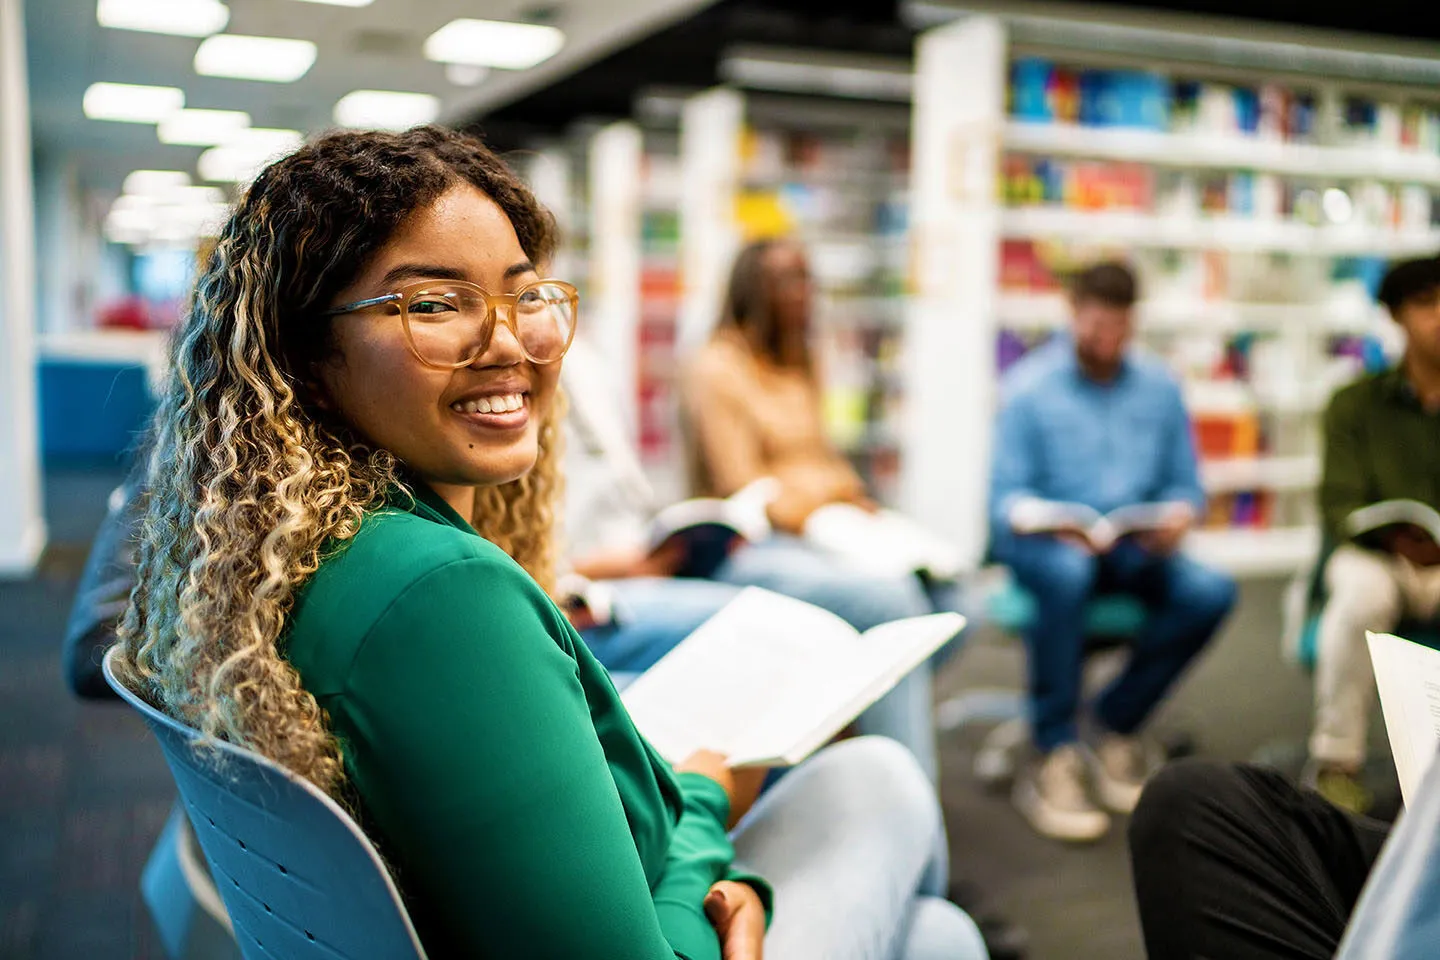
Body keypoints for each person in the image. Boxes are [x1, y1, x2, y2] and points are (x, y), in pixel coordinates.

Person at [108, 126, 984, 960]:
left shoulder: (315, 555)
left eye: (524, 294)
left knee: (939, 940)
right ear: (307, 356)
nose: (510, 341)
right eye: (434, 303)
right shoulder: (438, 592)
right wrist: (706, 817)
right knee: (877, 780)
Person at [560, 330, 942, 782]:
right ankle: (876, 781)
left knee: (949, 597)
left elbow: (827, 459)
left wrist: (839, 495)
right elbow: (740, 478)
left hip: (664, 552)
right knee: (842, 617)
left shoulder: (800, 362)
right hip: (596, 583)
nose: (800, 300)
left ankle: (858, 768)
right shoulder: (718, 368)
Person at [989, 261, 1236, 843]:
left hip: (1131, 545)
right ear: (1072, 312)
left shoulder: (1159, 387)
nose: (1107, 342)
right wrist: (1051, 522)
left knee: (1210, 592)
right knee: (1068, 571)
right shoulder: (1028, 388)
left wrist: (1177, 515)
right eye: (1095, 328)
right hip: (1049, 549)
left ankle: (1112, 721)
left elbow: (1186, 485)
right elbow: (1003, 502)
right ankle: (1053, 749)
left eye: (1119, 330)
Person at [1306, 256, 1440, 814]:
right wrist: (1395, 538)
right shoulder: (1355, 404)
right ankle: (1337, 762)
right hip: (1376, 555)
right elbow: (1339, 503)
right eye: (1426, 303)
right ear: (1396, 315)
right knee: (1362, 598)